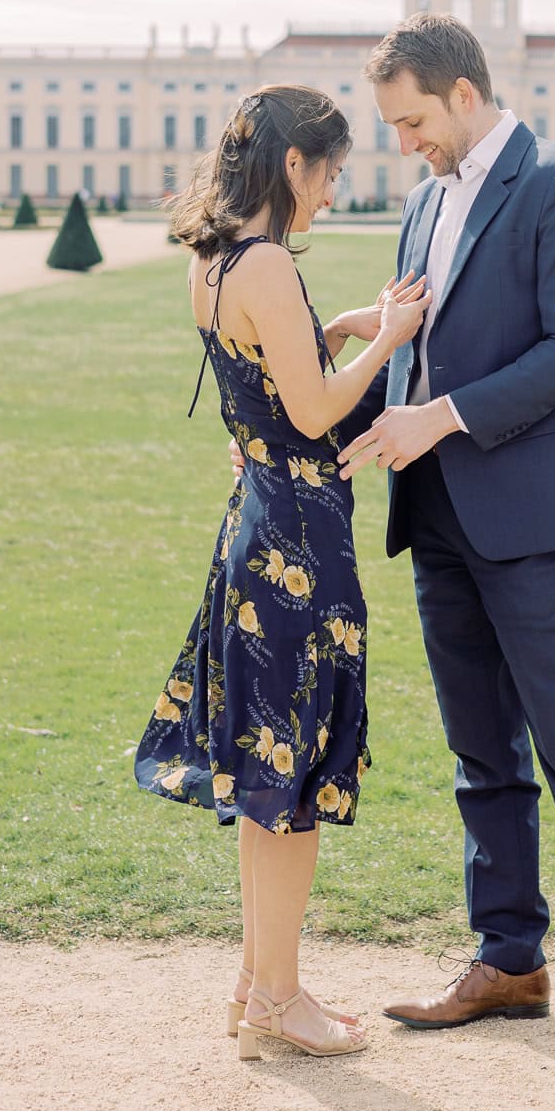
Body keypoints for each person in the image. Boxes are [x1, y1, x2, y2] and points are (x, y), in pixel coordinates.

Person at [232, 18, 555, 1061]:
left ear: (461, 94)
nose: (403, 141)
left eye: (411, 119)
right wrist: (342, 372)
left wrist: (437, 419)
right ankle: (508, 959)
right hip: (442, 516)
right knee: (479, 754)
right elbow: (424, 351)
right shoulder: (424, 203)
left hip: (539, 522)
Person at [135, 84, 429, 1061]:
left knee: (270, 777)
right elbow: (312, 414)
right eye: (332, 171)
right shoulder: (264, 262)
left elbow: (268, 390)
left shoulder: (214, 262)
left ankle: (261, 987)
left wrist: (338, 328)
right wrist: (387, 335)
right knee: (292, 778)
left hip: (253, 527)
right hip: (298, 543)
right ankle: (281, 997)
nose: (334, 192)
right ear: (293, 165)